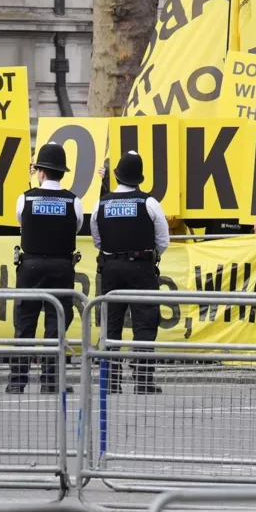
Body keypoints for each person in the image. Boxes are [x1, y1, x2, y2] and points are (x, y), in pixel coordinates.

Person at [91, 151, 169, 395]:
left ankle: (111, 380)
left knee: (111, 324)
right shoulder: (149, 203)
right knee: (144, 324)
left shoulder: (101, 203)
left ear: (117, 175)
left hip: (111, 268)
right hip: (141, 267)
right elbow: (163, 241)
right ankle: (143, 380)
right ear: (139, 178)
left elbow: (97, 239)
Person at [7, 142, 81, 395]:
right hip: (61, 266)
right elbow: (77, 226)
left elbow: (21, 221)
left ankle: (17, 380)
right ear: (62, 171)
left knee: (25, 324)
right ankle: (50, 380)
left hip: (30, 265)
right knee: (56, 323)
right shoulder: (74, 201)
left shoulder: (25, 198)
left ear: (40, 171)